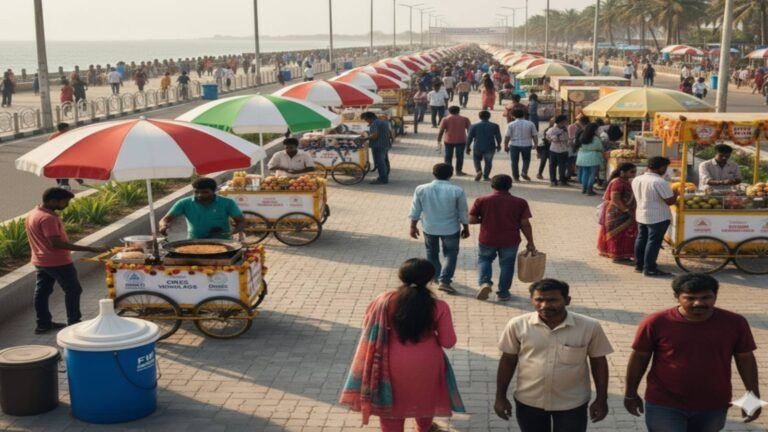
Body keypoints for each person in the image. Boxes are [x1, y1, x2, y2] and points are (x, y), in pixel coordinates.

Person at [339, 258, 463, 432]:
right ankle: (423, 429)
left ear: (401, 277)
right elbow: (448, 342)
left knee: (392, 410)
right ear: (430, 280)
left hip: (388, 362)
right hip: (427, 363)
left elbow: (368, 325)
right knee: (424, 400)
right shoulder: (439, 306)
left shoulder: (383, 301)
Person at [624, 273, 761, 431]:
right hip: (664, 403)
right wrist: (630, 393)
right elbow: (639, 358)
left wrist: (752, 397)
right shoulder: (656, 322)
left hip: (713, 404)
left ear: (715, 296)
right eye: (690, 298)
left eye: (706, 297)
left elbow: (745, 359)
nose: (698, 303)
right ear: (677, 297)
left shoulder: (735, 323)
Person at [495, 279, 613, 432]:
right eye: (539, 300)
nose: (545, 305)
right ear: (531, 300)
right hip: (529, 401)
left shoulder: (589, 327)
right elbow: (508, 361)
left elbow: (599, 363)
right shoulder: (517, 325)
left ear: (567, 300)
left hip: (572, 404)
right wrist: (500, 397)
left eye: (552, 300)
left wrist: (602, 399)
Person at [25, 188, 107, 334]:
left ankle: (43, 324)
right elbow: (55, 243)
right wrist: (91, 249)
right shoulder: (48, 218)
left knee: (42, 292)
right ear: (53, 201)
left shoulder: (33, 213)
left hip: (40, 260)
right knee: (73, 290)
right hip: (57, 262)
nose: (67, 204)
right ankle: (74, 323)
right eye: (65, 201)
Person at [469, 175, 535, 302]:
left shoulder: (482, 200)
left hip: (487, 238)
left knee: (484, 260)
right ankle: (503, 293)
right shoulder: (520, 202)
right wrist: (530, 242)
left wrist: (485, 220)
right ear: (510, 186)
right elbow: (525, 223)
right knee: (507, 265)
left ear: (492, 185)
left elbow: (471, 219)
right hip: (510, 240)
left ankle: (484, 283)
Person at [409, 163, 470, 294]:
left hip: (429, 228)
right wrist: (466, 227)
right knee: (451, 254)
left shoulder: (421, 189)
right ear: (451, 174)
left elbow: (415, 210)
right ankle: (445, 280)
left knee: (431, 252)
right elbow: (462, 211)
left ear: (434, 173)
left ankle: (437, 276)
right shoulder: (457, 191)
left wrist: (413, 227)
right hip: (451, 228)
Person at [632, 156, 677, 277]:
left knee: (642, 239)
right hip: (658, 216)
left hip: (641, 214)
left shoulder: (637, 179)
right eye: (665, 168)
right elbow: (669, 201)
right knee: (653, 242)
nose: (666, 170)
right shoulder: (659, 182)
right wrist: (677, 192)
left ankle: (639, 265)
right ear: (661, 168)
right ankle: (650, 268)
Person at [159, 177, 245, 240]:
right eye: (196, 192)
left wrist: (233, 232)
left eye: (205, 192)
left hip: (223, 242)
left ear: (214, 190)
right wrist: (163, 226)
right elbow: (165, 219)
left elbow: (241, 221)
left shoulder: (228, 203)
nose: (200, 195)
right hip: (194, 242)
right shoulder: (184, 203)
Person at [598, 163, 638, 263]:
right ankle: (617, 256)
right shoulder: (618, 183)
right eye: (632, 172)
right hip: (617, 212)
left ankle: (623, 255)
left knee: (625, 235)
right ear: (622, 172)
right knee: (617, 235)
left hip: (623, 211)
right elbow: (615, 199)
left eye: (635, 172)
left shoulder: (625, 181)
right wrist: (627, 211)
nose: (634, 174)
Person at [466, 110, 502, 182]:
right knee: (488, 162)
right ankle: (486, 176)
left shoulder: (473, 126)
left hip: (477, 146)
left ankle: (478, 171)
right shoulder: (495, 126)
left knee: (476, 159)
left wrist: (467, 147)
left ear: (479, 117)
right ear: (489, 117)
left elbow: (469, 137)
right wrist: (499, 145)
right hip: (490, 147)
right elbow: (498, 137)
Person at [504, 108, 538, 182]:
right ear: (523, 115)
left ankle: (516, 177)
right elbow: (534, 135)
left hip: (514, 145)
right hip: (527, 145)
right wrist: (535, 144)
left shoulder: (511, 124)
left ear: (513, 116)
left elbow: (507, 136)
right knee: (526, 160)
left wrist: (505, 146)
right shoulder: (530, 123)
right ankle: (524, 172)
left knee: (514, 161)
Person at [437, 106, 471, 175]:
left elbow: (441, 131)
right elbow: (469, 131)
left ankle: (448, 172)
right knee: (460, 156)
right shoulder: (465, 119)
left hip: (448, 140)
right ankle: (458, 171)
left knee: (448, 156)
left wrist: (439, 139)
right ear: (459, 111)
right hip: (461, 140)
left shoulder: (445, 119)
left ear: (449, 111)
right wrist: (469, 142)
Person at [361, 111, 393, 185]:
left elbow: (375, 136)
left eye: (366, 119)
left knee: (380, 162)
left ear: (370, 118)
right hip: (385, 144)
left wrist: (366, 138)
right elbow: (389, 132)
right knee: (385, 161)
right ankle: (384, 176)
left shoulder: (374, 123)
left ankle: (383, 179)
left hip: (378, 145)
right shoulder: (383, 122)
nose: (366, 121)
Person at [575, 122, 604, 196]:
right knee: (592, 174)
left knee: (585, 173)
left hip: (582, 157)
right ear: (594, 130)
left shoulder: (582, 136)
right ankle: (589, 189)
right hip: (593, 157)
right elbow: (600, 148)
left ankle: (584, 188)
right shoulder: (595, 138)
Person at [546, 115, 571, 187]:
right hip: (556, 150)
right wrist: (556, 138)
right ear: (561, 122)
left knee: (561, 166)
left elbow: (568, 138)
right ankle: (554, 180)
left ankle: (561, 180)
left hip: (562, 150)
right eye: (565, 121)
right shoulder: (553, 129)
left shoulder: (565, 129)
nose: (566, 122)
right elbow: (548, 138)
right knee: (553, 166)